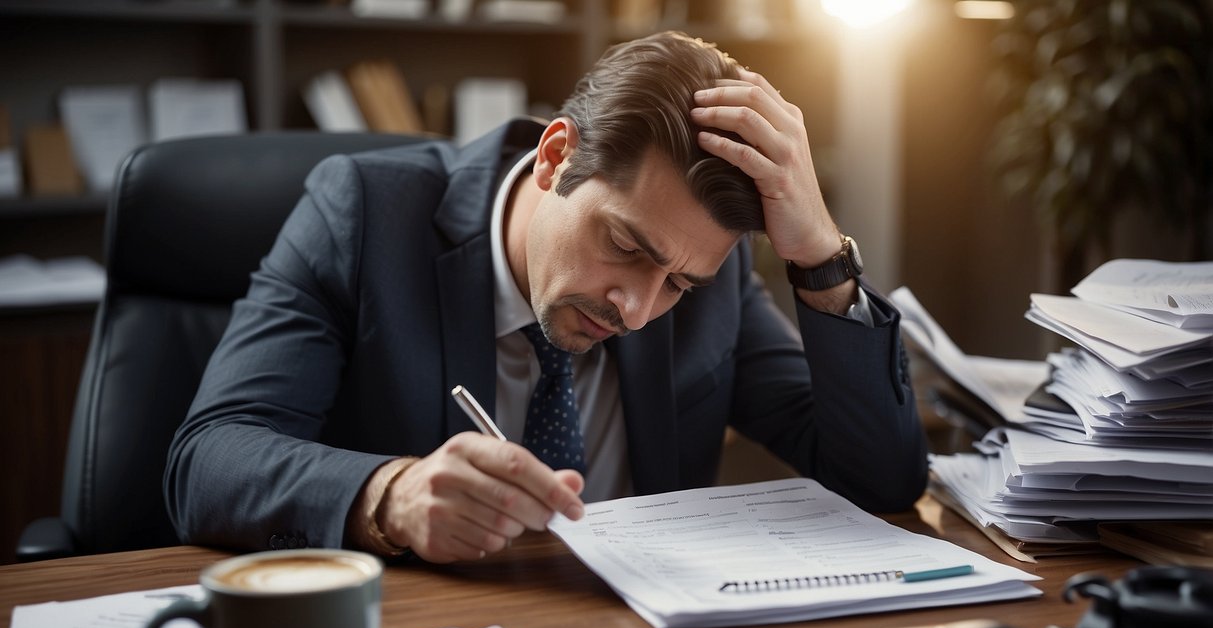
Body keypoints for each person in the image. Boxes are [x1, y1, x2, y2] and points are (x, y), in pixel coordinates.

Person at [165, 31, 928, 564]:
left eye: (678, 285)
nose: (636, 309)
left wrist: (821, 258)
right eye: (626, 247)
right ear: (555, 156)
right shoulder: (364, 216)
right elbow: (208, 462)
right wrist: (389, 495)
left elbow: (879, 482)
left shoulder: (707, 273)